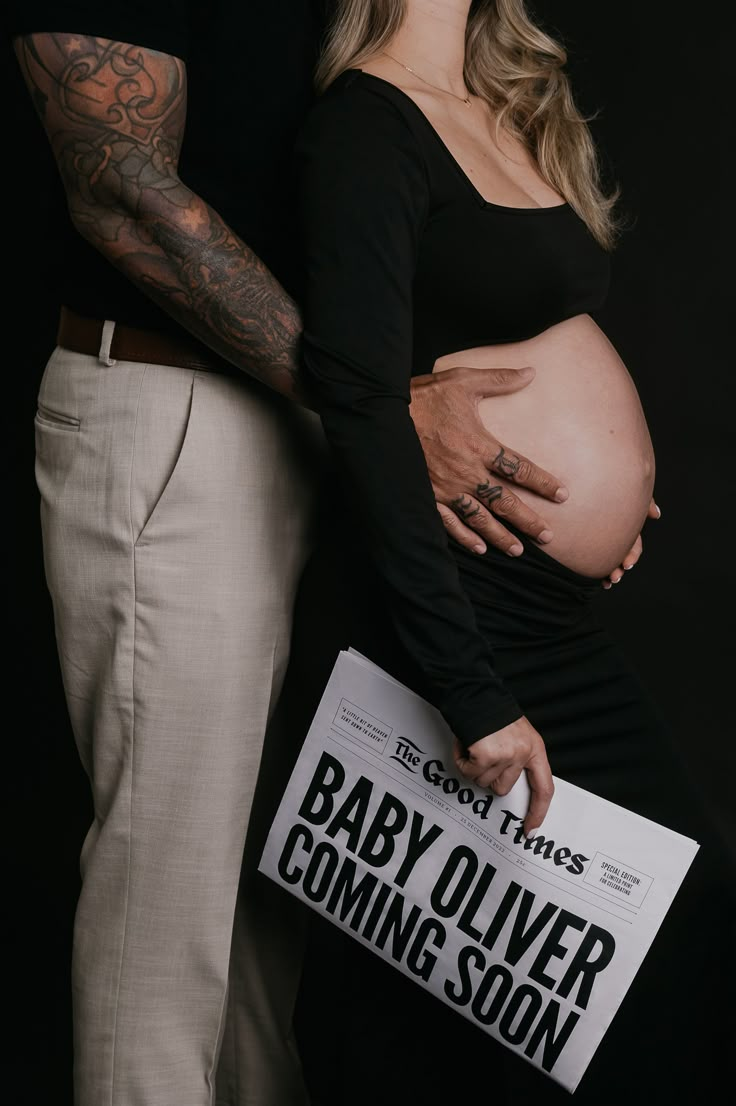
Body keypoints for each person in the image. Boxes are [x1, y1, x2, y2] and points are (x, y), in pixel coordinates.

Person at [6, 3, 637, 1104]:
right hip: (184, 405)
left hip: (345, 447)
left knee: (287, 897)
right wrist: (378, 406)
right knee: (171, 892)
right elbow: (120, 189)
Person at [280, 0, 736, 1103]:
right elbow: (360, 410)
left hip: (544, 610)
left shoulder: (508, 107)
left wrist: (610, 493)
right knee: (452, 989)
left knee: (601, 970)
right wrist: (468, 692)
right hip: (462, 615)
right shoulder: (363, 128)